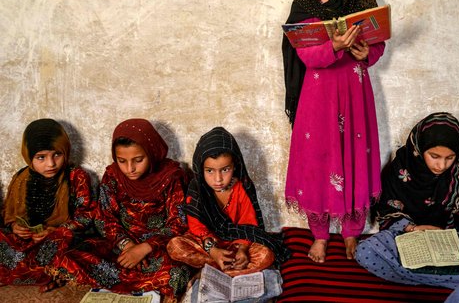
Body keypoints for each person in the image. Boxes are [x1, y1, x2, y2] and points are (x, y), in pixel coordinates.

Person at [282, 0, 385, 263]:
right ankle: (321, 236)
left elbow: (377, 46)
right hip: (317, 96)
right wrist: (334, 46)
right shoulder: (305, 4)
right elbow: (306, 55)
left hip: (354, 91)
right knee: (319, 159)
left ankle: (352, 232)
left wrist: (363, 52)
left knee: (355, 154)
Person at [355, 112, 459, 287]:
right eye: (434, 156)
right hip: (407, 236)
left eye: (450, 158)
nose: (441, 165)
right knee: (365, 252)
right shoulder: (399, 167)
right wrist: (413, 228)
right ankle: (453, 279)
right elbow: (387, 209)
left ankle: (415, 276)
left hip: (448, 239)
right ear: (419, 148)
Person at [46, 118, 191, 301]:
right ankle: (137, 282)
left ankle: (129, 282)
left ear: (152, 152)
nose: (130, 169)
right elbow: (104, 218)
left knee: (177, 272)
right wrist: (128, 246)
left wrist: (144, 249)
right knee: (70, 254)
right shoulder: (113, 176)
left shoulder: (171, 177)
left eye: (138, 160)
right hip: (120, 246)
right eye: (122, 161)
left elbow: (179, 223)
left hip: (157, 248)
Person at [167, 126, 289, 276]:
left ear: (235, 166)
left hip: (237, 242)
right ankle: (229, 268)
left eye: (225, 170)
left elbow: (249, 224)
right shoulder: (197, 189)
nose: (218, 179)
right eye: (210, 171)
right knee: (175, 246)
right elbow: (197, 227)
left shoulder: (241, 187)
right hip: (207, 243)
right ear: (200, 168)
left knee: (266, 255)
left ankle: (215, 269)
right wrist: (213, 251)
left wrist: (243, 249)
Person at [0, 118, 95, 290]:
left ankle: (48, 271)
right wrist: (14, 226)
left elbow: (86, 217)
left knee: (73, 249)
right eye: (41, 157)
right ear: (29, 156)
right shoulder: (21, 178)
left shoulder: (76, 177)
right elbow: (8, 214)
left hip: (61, 238)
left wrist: (57, 230)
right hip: (28, 241)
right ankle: (49, 272)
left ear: (65, 150)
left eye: (57, 154)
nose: (50, 164)